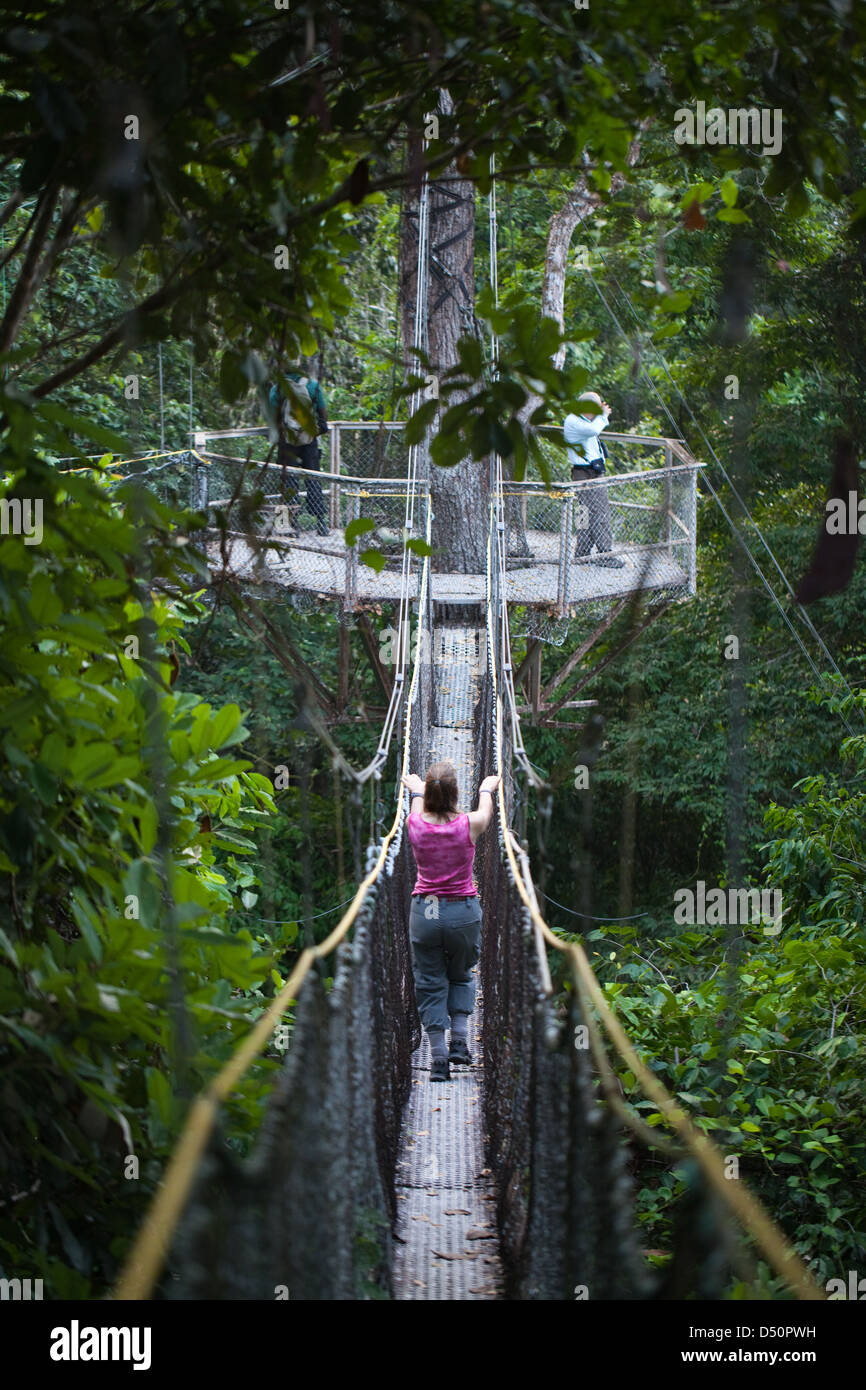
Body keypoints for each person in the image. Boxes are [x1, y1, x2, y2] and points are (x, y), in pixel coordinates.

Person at [401, 762, 501, 1082]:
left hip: (426, 914)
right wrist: (486, 787)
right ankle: (459, 1041)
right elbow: (486, 811)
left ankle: (439, 1061)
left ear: (428, 793)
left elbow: (418, 805)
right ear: (457, 792)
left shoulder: (413, 824)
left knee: (430, 982)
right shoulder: (469, 824)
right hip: (463, 913)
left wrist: (416, 790)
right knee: (460, 974)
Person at [563, 390, 624, 568]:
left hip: (593, 470)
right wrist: (604, 416)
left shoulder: (584, 420)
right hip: (584, 472)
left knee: (587, 512)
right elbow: (593, 430)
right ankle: (605, 554)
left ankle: (582, 552)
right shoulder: (573, 421)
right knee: (595, 513)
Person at [268, 369, 330, 537]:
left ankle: (287, 525)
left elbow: (273, 418)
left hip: (286, 443)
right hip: (309, 440)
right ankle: (321, 524)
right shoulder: (313, 386)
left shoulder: (277, 389)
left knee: (287, 482)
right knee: (314, 480)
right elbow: (323, 417)